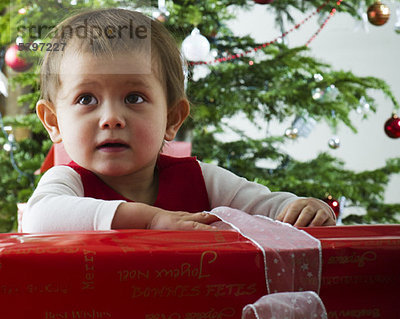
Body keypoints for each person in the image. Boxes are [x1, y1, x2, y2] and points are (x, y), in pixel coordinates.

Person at [22, 8, 336, 234]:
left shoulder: (203, 180)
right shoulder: (67, 184)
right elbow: (38, 219)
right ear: (54, 122)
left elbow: (267, 208)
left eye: (134, 98)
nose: (112, 119)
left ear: (172, 118)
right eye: (86, 99)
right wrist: (149, 220)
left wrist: (300, 209)